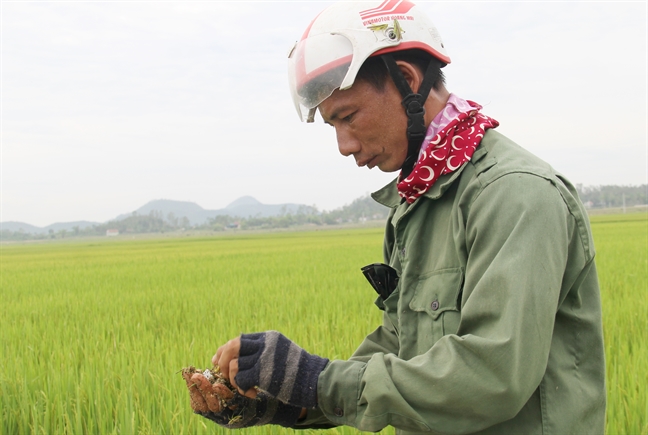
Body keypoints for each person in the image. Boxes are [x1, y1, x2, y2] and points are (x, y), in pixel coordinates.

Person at [184, 1, 606, 433]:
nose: (344, 145)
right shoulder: (415, 202)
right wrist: (290, 400)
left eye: (348, 117)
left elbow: (493, 376)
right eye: (332, 126)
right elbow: (400, 350)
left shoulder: (514, 193)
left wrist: (320, 380)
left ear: (407, 79)